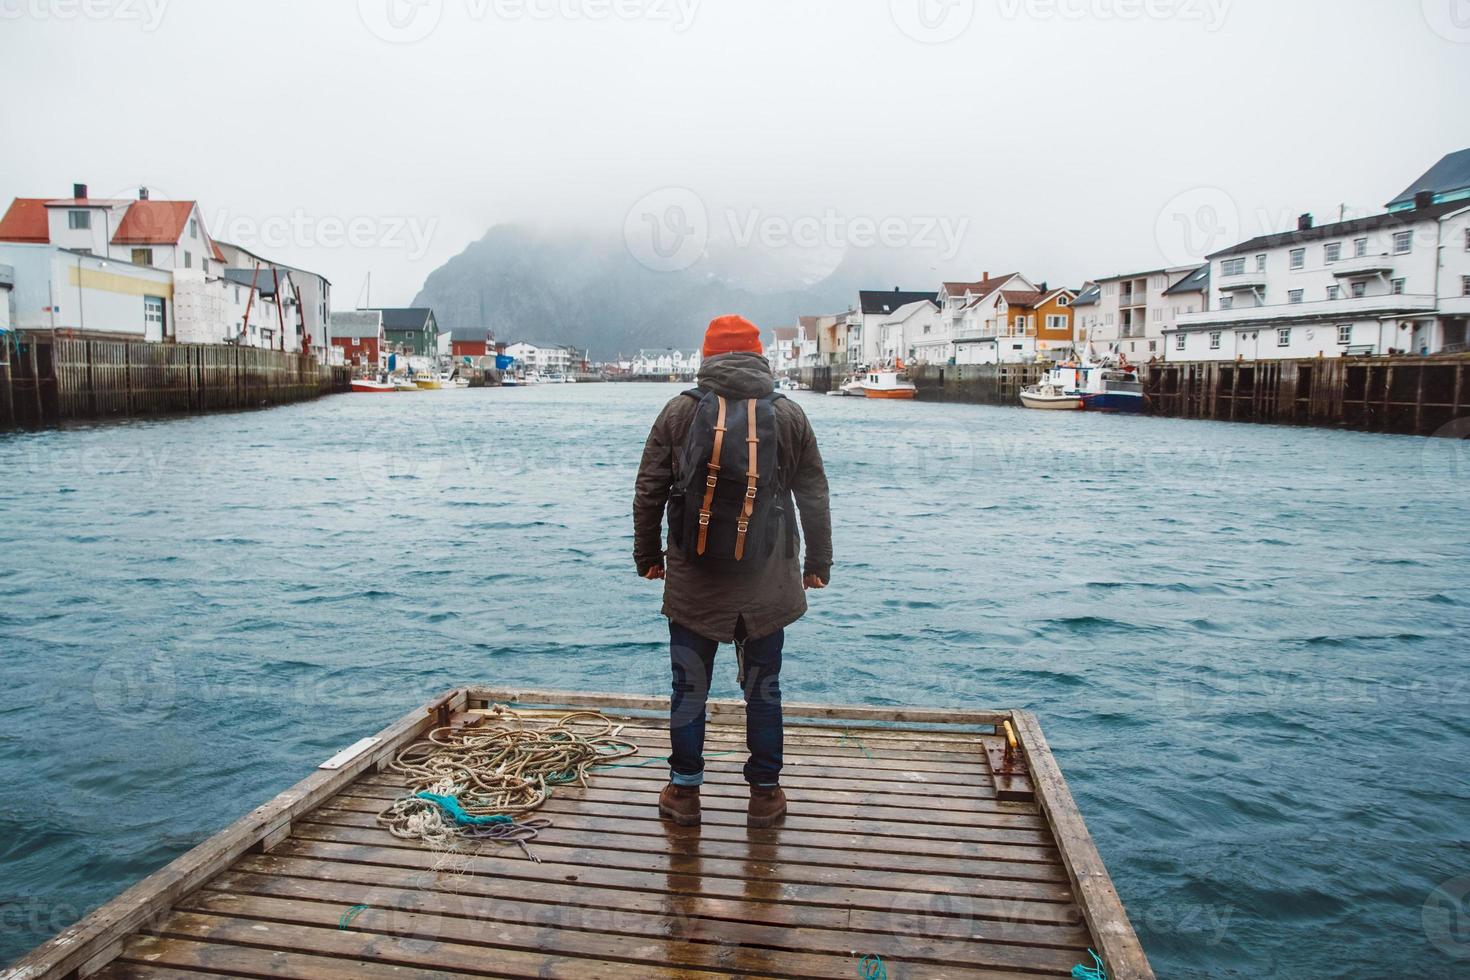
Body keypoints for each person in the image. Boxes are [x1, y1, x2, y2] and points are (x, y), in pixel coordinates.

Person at [634, 314, 831, 829]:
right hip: (769, 582)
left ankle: (684, 793)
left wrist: (647, 556)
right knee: (764, 689)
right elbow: (813, 493)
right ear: (759, 355)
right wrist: (818, 564)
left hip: (695, 580)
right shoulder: (789, 415)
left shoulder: (678, 412)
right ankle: (765, 795)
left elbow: (649, 489)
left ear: (707, 358)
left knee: (688, 688)